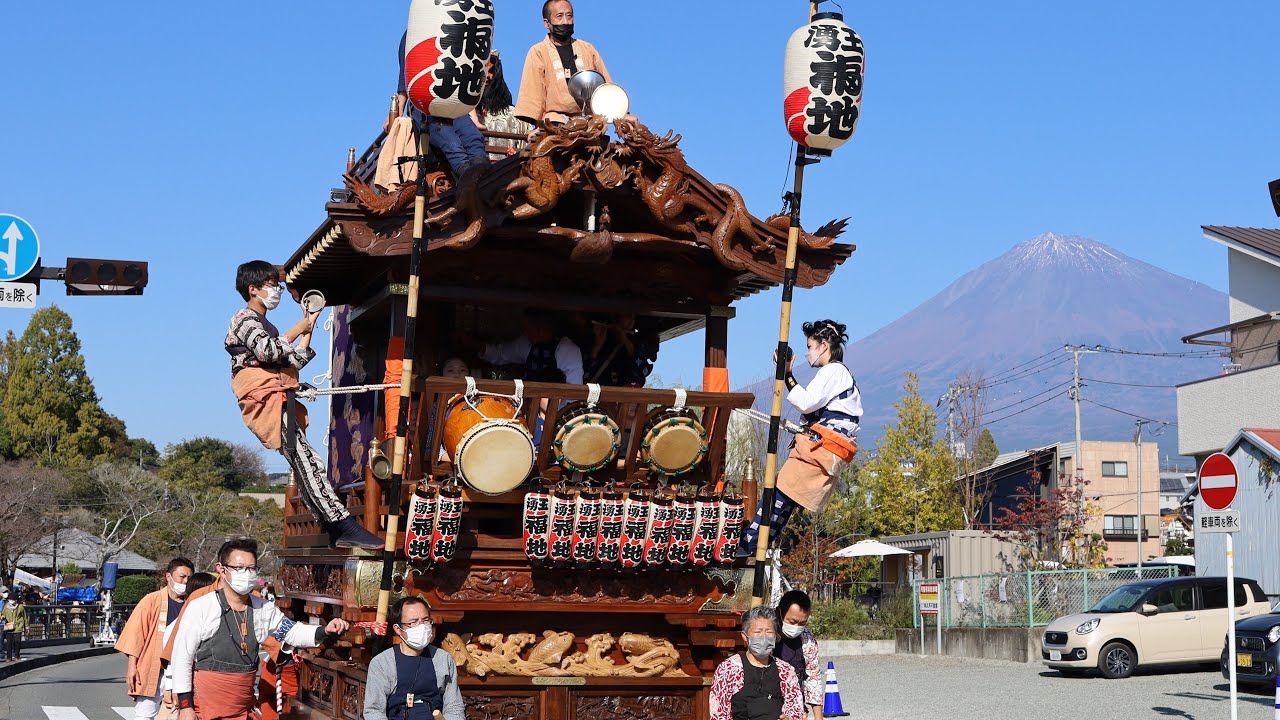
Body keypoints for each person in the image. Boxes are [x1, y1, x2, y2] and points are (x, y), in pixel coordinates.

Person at [226, 261, 381, 549]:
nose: (276, 290)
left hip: (279, 396)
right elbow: (268, 351)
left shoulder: (266, 325)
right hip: (267, 398)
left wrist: (309, 325)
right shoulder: (244, 319)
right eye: (271, 285)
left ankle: (334, 528)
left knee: (304, 463)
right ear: (253, 289)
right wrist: (299, 327)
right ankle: (343, 524)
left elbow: (293, 360)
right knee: (308, 461)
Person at [171, 538, 350, 720]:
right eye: (239, 568)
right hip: (207, 705)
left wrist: (324, 630)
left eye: (251, 568)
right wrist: (185, 706)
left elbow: (292, 632)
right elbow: (182, 657)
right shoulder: (201, 607)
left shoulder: (263, 608)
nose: (246, 574)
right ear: (222, 570)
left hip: (242, 705)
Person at [739, 320, 861, 556]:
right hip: (828, 446)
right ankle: (757, 543)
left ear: (823, 345)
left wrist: (787, 374)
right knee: (787, 496)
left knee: (779, 491)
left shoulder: (833, 371)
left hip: (823, 446)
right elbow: (812, 410)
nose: (807, 353)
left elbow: (806, 402)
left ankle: (749, 544)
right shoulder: (842, 374)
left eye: (810, 346)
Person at [394, 32, 490, 176]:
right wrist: (398, 113)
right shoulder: (413, 33)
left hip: (452, 100)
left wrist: (474, 119)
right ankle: (468, 177)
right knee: (450, 141)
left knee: (473, 137)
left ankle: (485, 176)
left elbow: (463, 79)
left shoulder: (453, 30)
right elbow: (405, 79)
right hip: (424, 104)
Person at [514, 0, 613, 129]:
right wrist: (539, 126)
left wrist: (622, 114)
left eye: (569, 16)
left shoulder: (587, 49)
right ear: (546, 23)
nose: (565, 22)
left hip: (589, 122)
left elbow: (607, 86)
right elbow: (533, 95)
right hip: (555, 122)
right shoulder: (538, 51)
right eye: (559, 16)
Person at [117, 557, 195, 720]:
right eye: (182, 577)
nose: (185, 581)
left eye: (189, 577)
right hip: (154, 668)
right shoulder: (152, 600)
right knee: (145, 714)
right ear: (169, 576)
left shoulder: (193, 603)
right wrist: (132, 667)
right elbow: (136, 634)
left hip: (182, 669)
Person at [363, 596, 465, 720]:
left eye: (425, 620)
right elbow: (373, 711)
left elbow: (454, 707)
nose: (421, 627)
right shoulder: (382, 663)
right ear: (398, 629)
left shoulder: (443, 659)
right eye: (413, 622)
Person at [708, 605, 804, 720]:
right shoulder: (728, 669)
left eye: (769, 632)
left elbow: (795, 710)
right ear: (745, 636)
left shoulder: (786, 671)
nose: (764, 637)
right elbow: (719, 714)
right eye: (758, 632)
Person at [477, 308, 583, 385]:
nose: (525, 332)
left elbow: (573, 393)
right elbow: (501, 354)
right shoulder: (526, 343)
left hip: (556, 406)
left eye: (528, 329)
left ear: (540, 329)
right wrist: (479, 347)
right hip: (528, 403)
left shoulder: (568, 350)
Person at [471, 51, 531, 159]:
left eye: (491, 71)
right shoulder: (462, 113)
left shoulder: (515, 116)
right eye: (483, 71)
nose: (488, 76)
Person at [774, 590, 823, 720]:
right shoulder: (766, 635)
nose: (796, 627)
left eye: (802, 623)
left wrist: (819, 717)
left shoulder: (807, 638)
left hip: (795, 706)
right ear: (779, 613)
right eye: (792, 622)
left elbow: (813, 677)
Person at [585, 313, 658, 386]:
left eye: (633, 318)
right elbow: (585, 375)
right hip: (600, 390)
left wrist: (627, 343)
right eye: (628, 316)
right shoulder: (600, 337)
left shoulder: (635, 343)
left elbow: (644, 371)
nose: (631, 321)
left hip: (624, 392)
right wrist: (597, 346)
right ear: (614, 317)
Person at [2, 590, 26, 662]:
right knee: (9, 643)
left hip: (18, 626)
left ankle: (17, 656)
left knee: (17, 641)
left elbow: (24, 617)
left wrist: (27, 626)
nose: (11, 601)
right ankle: (9, 657)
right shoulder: (6, 607)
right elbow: (3, 614)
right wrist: (2, 617)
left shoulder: (20, 607)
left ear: (16, 600)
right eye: (10, 599)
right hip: (9, 627)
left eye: (12, 599)